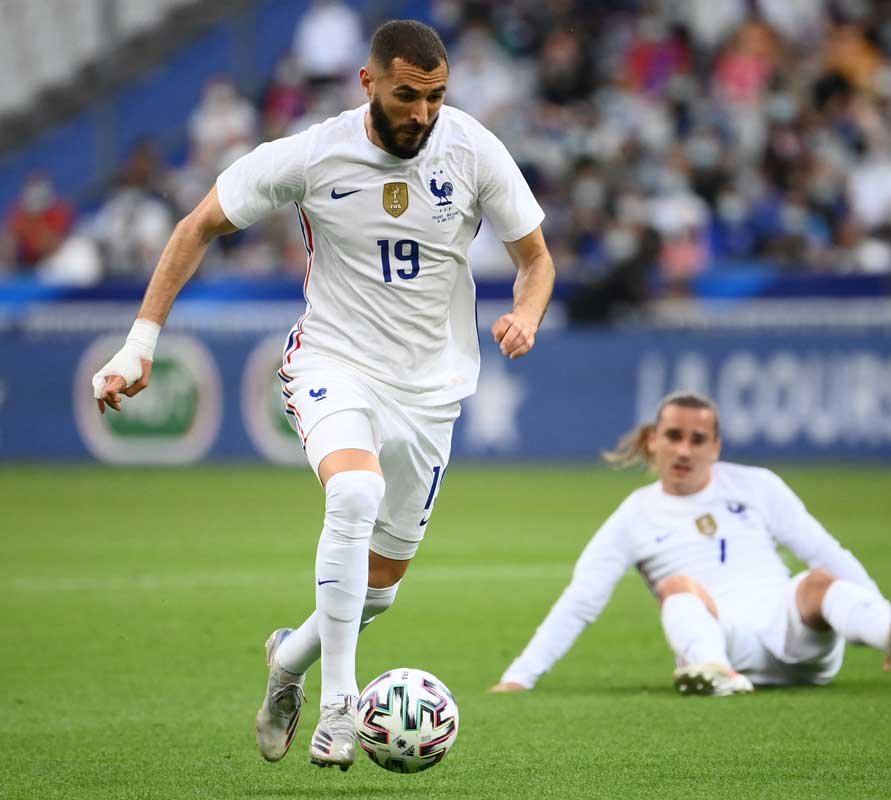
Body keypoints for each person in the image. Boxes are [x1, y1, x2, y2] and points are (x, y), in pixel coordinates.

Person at [89, 20, 554, 769]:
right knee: (355, 493)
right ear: (368, 83)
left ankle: (287, 664)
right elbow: (197, 225)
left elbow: (535, 260)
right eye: (408, 95)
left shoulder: (473, 149)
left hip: (430, 391)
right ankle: (340, 704)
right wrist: (140, 344)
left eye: (436, 97)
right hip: (332, 360)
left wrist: (526, 315)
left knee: (378, 593)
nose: (424, 114)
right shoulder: (311, 153)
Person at [491, 391, 891, 696]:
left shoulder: (756, 485)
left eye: (697, 439)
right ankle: (715, 672)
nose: (684, 451)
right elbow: (581, 601)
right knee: (677, 586)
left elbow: (826, 551)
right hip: (723, 638)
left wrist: (878, 605)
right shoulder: (635, 515)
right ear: (653, 441)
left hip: (795, 634)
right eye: (673, 436)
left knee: (818, 582)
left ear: (716, 446)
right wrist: (519, 678)